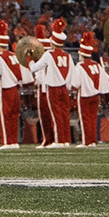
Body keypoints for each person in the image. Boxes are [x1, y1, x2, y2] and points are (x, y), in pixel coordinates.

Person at [0, 20, 28, 149]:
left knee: (5, 116)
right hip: (15, 89)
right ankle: (14, 141)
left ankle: (7, 141)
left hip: (5, 89)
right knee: (15, 116)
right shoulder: (14, 55)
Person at [33, 19, 73, 148]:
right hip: (65, 88)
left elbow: (35, 68)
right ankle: (66, 140)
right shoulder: (68, 55)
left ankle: (58, 140)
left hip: (53, 88)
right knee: (65, 114)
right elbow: (72, 72)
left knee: (56, 115)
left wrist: (28, 59)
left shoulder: (49, 54)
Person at [65, 33, 109, 146]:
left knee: (85, 119)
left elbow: (75, 84)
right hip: (96, 95)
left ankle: (87, 141)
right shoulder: (97, 65)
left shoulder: (80, 66)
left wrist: (71, 87)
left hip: (84, 95)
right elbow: (105, 78)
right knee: (93, 118)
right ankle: (93, 140)